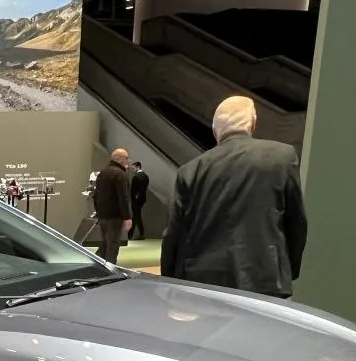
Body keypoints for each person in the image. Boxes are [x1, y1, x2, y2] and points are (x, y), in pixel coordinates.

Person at [160, 95, 307, 298]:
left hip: (203, 280)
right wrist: (287, 268)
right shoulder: (282, 157)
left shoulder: (191, 170)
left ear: (215, 131)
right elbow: (296, 222)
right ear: (252, 123)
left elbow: (174, 232)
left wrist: (170, 280)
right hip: (265, 276)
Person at [93, 148, 132, 265]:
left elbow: (96, 195)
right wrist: (127, 217)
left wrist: (98, 212)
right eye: (126, 158)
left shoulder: (103, 173)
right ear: (120, 159)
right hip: (115, 217)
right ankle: (111, 270)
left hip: (103, 215)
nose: (128, 160)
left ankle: (96, 267)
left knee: (105, 244)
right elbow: (123, 197)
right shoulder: (120, 174)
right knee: (112, 246)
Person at [130, 161, 150, 240]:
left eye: (133, 168)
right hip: (142, 199)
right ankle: (130, 234)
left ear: (137, 167)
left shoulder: (136, 177)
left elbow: (133, 190)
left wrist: (133, 198)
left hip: (136, 199)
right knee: (135, 216)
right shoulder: (146, 176)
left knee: (137, 216)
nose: (132, 170)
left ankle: (141, 233)